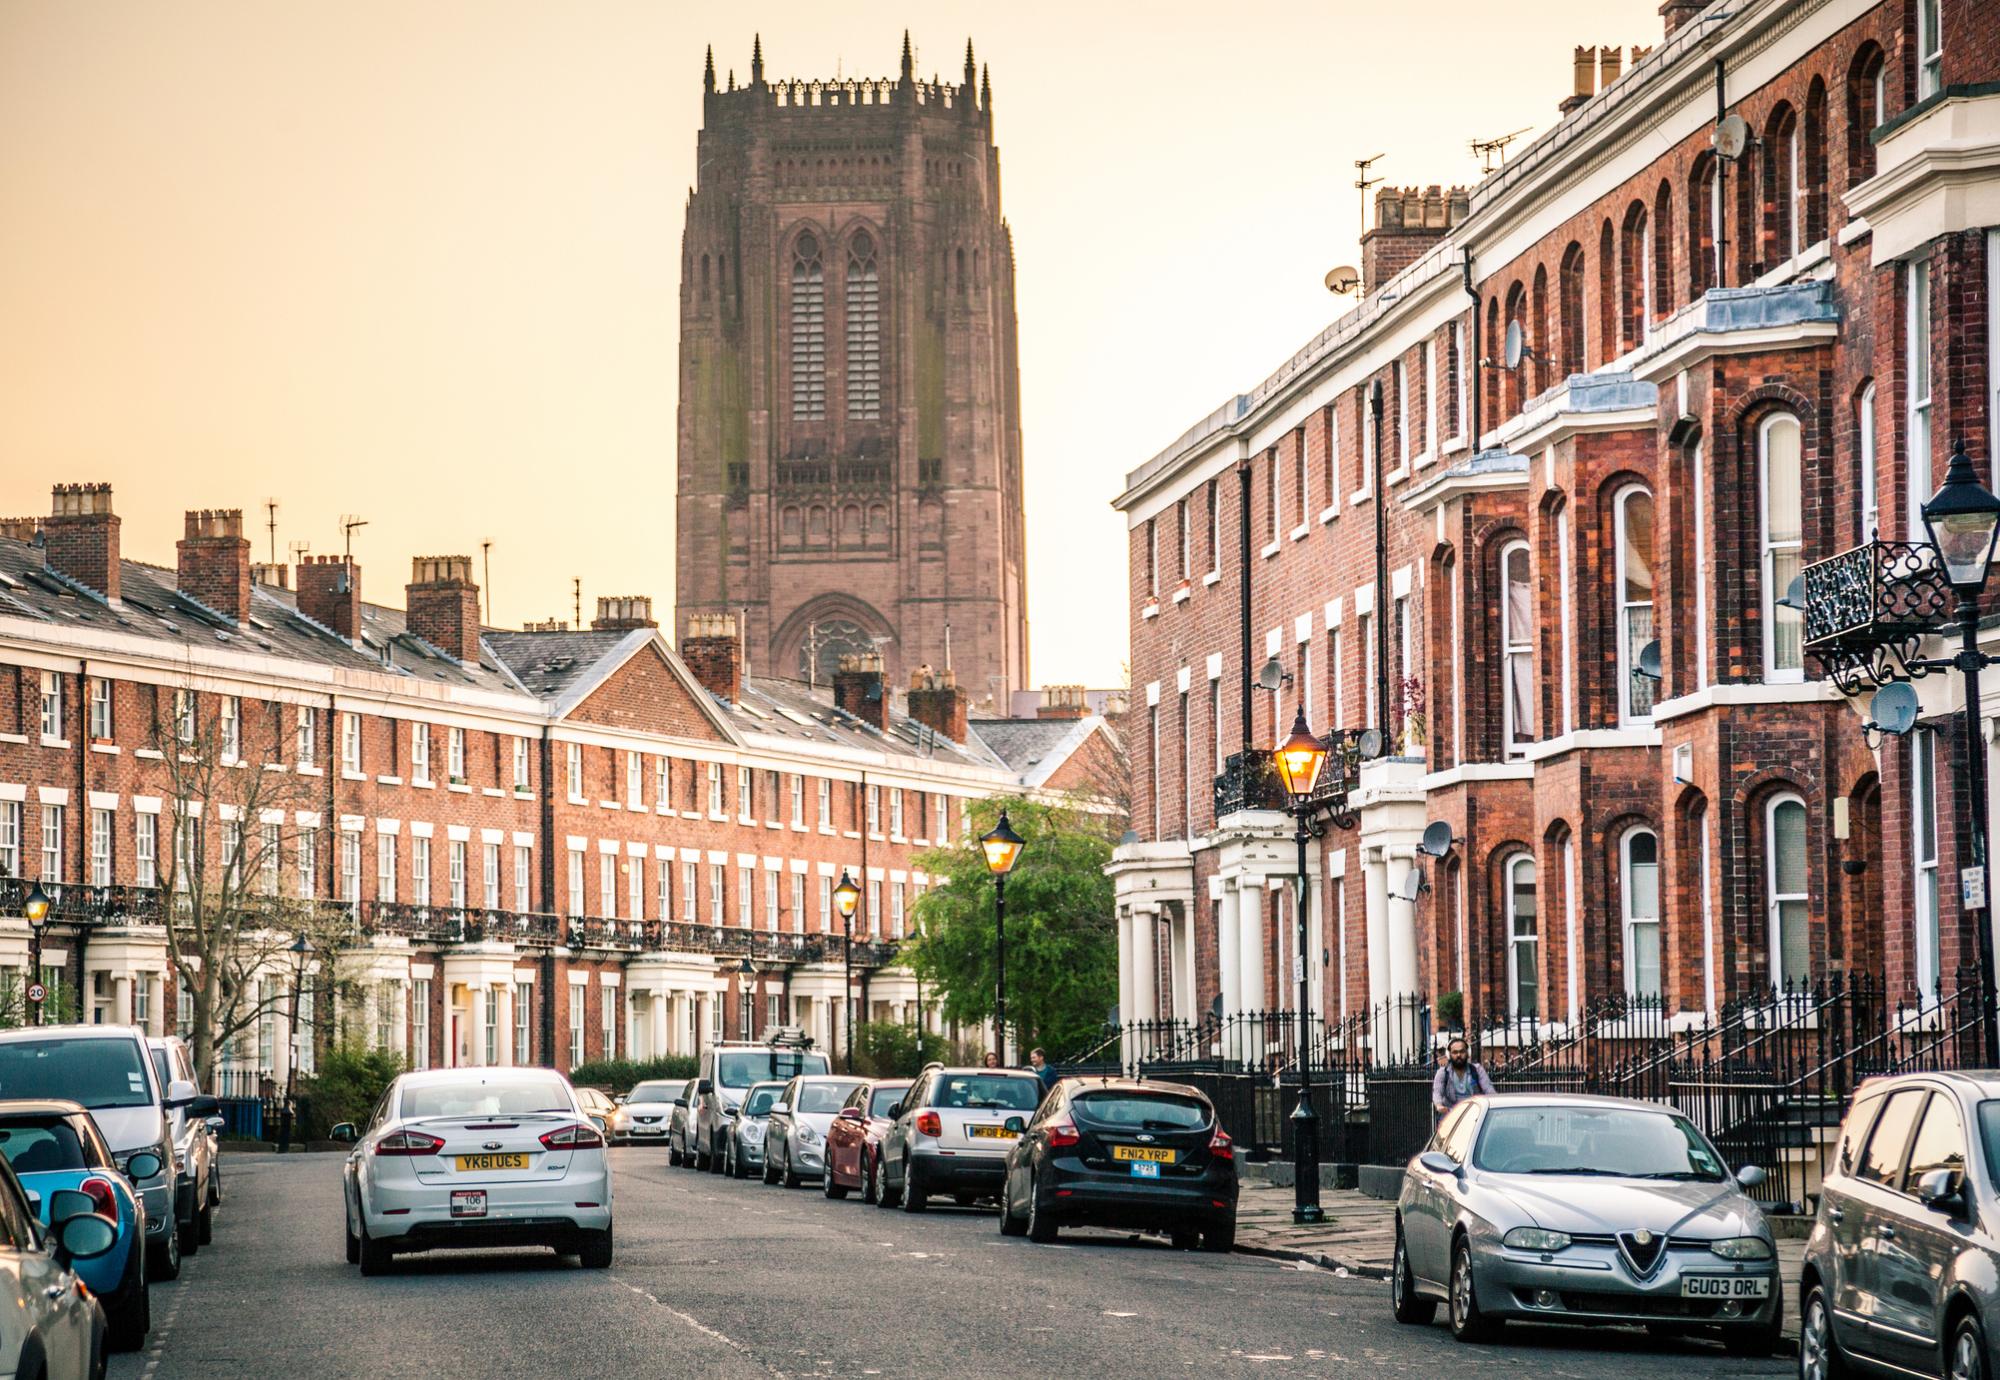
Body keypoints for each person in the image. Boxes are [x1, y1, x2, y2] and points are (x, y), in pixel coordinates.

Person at [1430, 1038, 1493, 1121]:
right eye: (1455, 1052)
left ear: (1468, 1053)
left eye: (1462, 1051)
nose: (1458, 1055)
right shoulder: (1443, 1073)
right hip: (1450, 1117)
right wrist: (1439, 1105)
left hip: (1474, 1116)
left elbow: (1489, 1090)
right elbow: (1437, 1092)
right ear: (1449, 1055)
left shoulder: (1477, 1070)